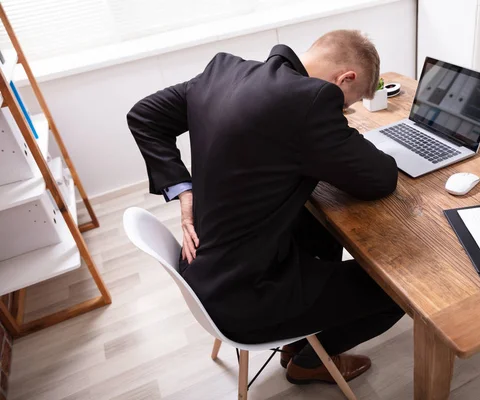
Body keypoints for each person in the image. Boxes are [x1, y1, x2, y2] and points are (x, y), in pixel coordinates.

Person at [127, 29, 405, 384]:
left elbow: (144, 116)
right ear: (345, 79)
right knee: (397, 293)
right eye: (347, 103)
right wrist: (342, 132)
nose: (344, 110)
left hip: (206, 270)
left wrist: (184, 189)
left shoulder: (223, 71)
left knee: (317, 227)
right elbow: (381, 179)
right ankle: (310, 361)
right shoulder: (311, 101)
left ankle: (298, 340)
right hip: (246, 297)